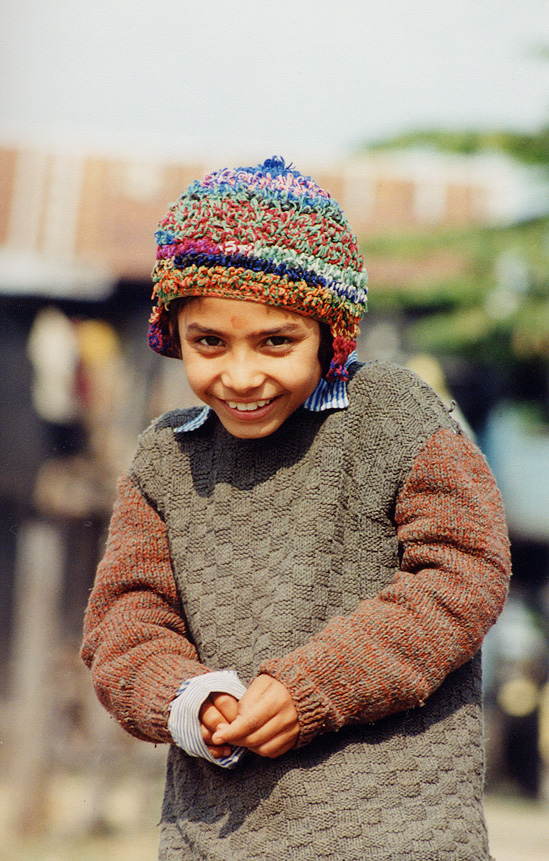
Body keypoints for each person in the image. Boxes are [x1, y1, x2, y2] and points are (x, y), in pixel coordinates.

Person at [81, 157, 511, 860]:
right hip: (215, 839)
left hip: (397, 836)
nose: (241, 374)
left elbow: (462, 575)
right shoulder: (164, 459)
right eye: (208, 342)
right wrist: (188, 700)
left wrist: (316, 686)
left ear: (329, 334)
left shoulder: (394, 417)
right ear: (174, 335)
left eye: (276, 341)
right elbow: (124, 623)